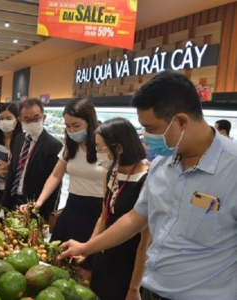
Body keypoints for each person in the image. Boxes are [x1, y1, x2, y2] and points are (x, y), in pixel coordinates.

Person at [58, 70, 237, 300]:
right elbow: (135, 219)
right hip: (151, 290)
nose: (145, 135)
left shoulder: (231, 169)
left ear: (181, 121)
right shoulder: (162, 164)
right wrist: (86, 247)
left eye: (151, 129)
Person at [20, 98, 104, 280]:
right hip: (72, 209)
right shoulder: (70, 146)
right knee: (55, 262)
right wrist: (38, 202)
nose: (72, 131)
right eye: (68, 126)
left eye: (76, 125)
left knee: (85, 272)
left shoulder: (104, 146)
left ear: (90, 121)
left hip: (98, 213)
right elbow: (55, 175)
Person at [89, 117, 151, 300]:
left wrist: (134, 288)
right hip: (104, 257)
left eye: (99, 148)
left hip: (129, 265)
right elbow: (103, 217)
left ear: (119, 148)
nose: (97, 152)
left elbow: (146, 242)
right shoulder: (111, 173)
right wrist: (88, 250)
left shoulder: (145, 180)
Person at [2, 98, 63, 221]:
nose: (32, 122)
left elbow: (55, 184)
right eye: (27, 119)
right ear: (20, 120)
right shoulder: (18, 140)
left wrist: (46, 216)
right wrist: (4, 203)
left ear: (43, 118)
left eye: (36, 118)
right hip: (13, 200)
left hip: (34, 204)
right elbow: (12, 174)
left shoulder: (54, 146)